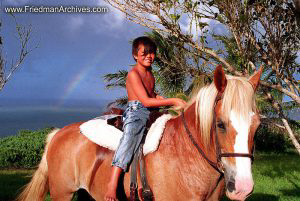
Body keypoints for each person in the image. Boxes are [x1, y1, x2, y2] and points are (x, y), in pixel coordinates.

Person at [105, 36, 186, 201]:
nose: (149, 56)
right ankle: (112, 185)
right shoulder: (133, 74)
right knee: (129, 140)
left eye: (152, 53)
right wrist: (172, 101)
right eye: (144, 53)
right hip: (136, 112)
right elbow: (145, 100)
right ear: (135, 55)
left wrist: (161, 98)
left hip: (151, 109)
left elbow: (151, 95)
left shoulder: (150, 74)